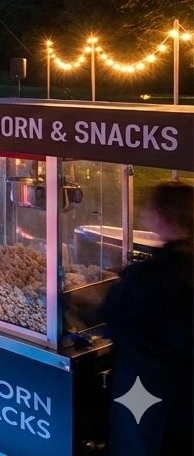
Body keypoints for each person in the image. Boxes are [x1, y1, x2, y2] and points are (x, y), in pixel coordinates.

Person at [101, 181, 193, 455]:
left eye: (150, 210)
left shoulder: (152, 277)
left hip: (150, 398)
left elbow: (113, 316)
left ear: (162, 217)